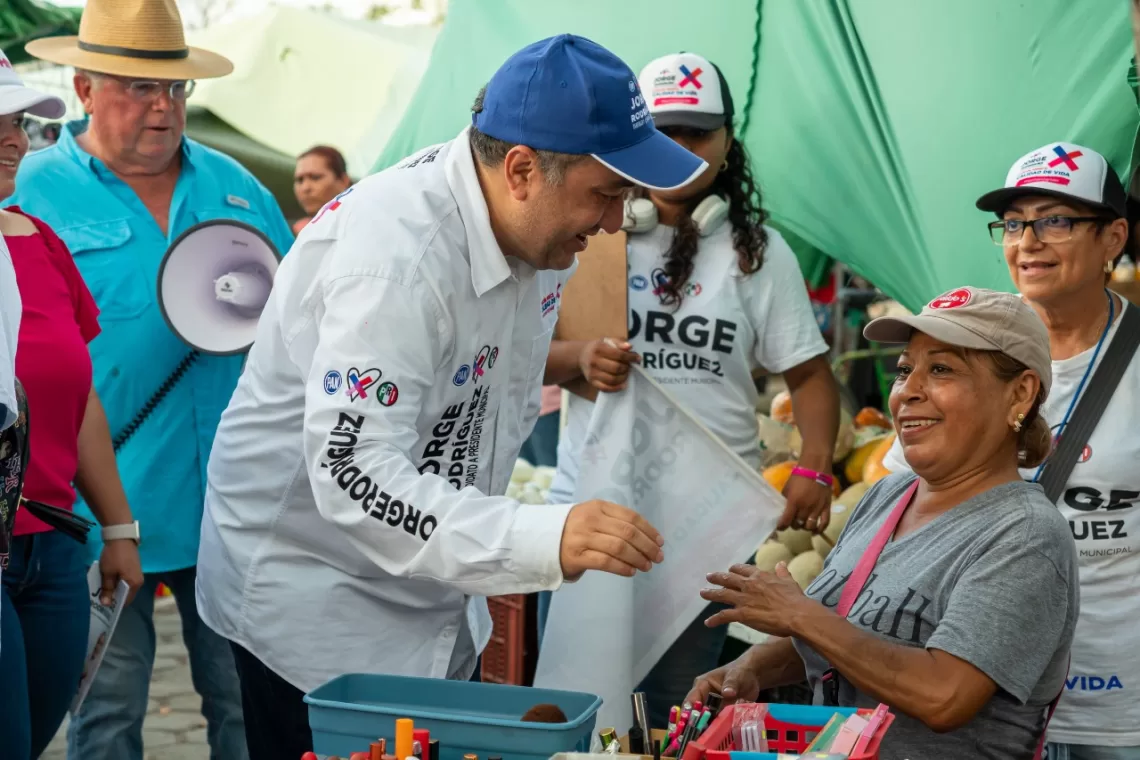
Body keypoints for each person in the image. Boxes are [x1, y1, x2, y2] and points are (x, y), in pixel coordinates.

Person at [195, 34, 702, 760]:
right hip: (314, 600)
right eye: (606, 194)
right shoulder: (395, 260)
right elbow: (353, 473)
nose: (616, 223)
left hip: (431, 586)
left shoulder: (536, 233)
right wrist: (536, 537)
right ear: (521, 170)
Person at [17, 0, 295, 757]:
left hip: (232, 506)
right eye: (139, 87)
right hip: (96, 506)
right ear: (84, 89)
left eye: (174, 88)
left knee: (244, 707)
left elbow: (300, 320)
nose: (163, 106)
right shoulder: (31, 191)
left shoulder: (235, 186)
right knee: (106, 716)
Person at [540, 52, 840, 723]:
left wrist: (815, 467)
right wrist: (579, 357)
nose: (680, 149)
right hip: (589, 515)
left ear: (728, 142)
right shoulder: (588, 235)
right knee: (575, 713)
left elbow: (809, 374)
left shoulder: (758, 252)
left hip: (708, 528)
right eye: (664, 132)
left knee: (675, 718)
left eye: (698, 133)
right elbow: (519, 358)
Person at [689, 287, 1078, 760]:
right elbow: (842, 634)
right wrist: (751, 666)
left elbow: (945, 696)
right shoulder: (888, 495)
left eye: (941, 369)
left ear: (1020, 393)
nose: (908, 390)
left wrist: (799, 614)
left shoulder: (1025, 536)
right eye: (904, 369)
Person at [880, 143, 1140, 760]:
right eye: (1015, 223)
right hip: (981, 697)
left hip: (1121, 706)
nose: (1028, 242)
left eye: (1056, 221)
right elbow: (899, 504)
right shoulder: (969, 345)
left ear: (1114, 237)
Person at [0, 51, 147, 760]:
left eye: (17, 122)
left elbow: (78, 395)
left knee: (30, 740)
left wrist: (119, 528)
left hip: (54, 547)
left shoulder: (39, 241)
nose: (13, 139)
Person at [292, 144, 351, 235]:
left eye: (315, 177)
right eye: (300, 180)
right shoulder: (296, 232)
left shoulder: (364, 220)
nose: (305, 188)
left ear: (343, 181)